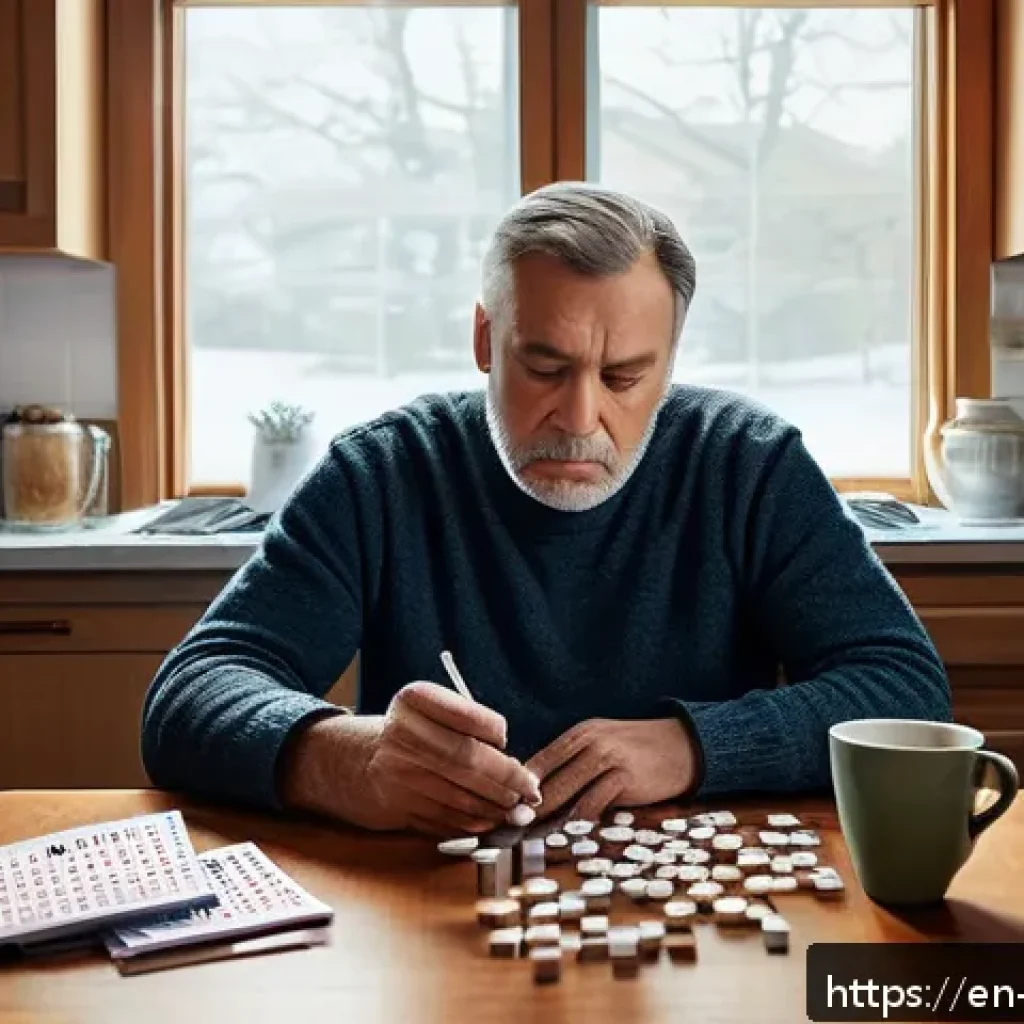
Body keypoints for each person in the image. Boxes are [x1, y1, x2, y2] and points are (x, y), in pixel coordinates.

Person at [141, 182, 951, 837]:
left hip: (694, 901)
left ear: (670, 363)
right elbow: (190, 696)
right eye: (543, 365)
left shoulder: (748, 463)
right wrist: (343, 759)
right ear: (486, 340)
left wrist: (695, 748)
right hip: (430, 914)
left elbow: (905, 689)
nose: (579, 417)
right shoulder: (384, 471)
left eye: (626, 377)